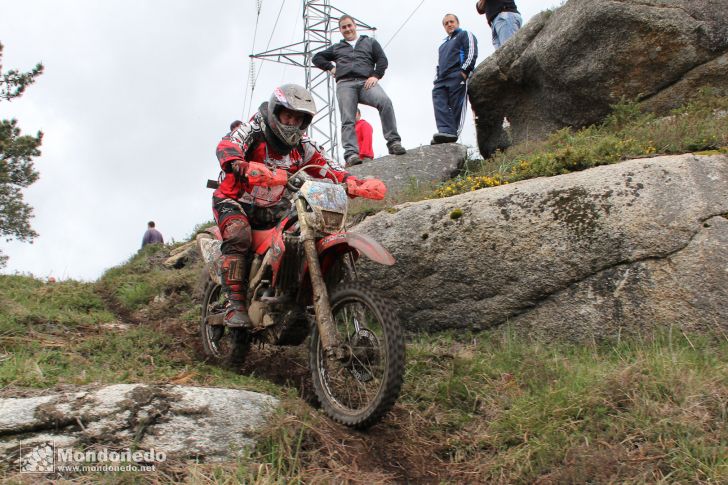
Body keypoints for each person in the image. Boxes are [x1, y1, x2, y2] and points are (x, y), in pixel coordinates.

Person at [212, 84, 386, 327]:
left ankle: (288, 295)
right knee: (238, 235)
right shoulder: (254, 130)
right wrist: (238, 163)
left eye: (298, 118)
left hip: (272, 207)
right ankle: (234, 305)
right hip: (235, 201)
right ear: (276, 112)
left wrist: (356, 183)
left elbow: (329, 167)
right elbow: (228, 144)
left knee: (302, 232)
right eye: (288, 116)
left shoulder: (304, 147)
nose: (292, 123)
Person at [312, 14, 406, 167]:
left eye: (349, 25)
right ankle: (351, 154)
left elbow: (382, 60)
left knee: (385, 102)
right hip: (345, 84)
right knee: (348, 118)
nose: (347, 29)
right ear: (340, 30)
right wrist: (331, 68)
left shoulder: (370, 42)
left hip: (366, 82)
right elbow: (317, 58)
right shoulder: (337, 47)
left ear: (355, 26)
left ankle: (394, 142)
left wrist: (376, 75)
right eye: (344, 27)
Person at [432, 13, 478, 145]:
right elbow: (440, 63)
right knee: (438, 98)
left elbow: (471, 50)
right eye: (446, 23)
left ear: (457, 23)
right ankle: (445, 131)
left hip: (457, 74)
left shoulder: (464, 34)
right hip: (442, 78)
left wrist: (465, 71)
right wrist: (437, 77)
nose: (449, 25)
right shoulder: (442, 46)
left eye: (451, 21)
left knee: (456, 104)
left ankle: (452, 133)